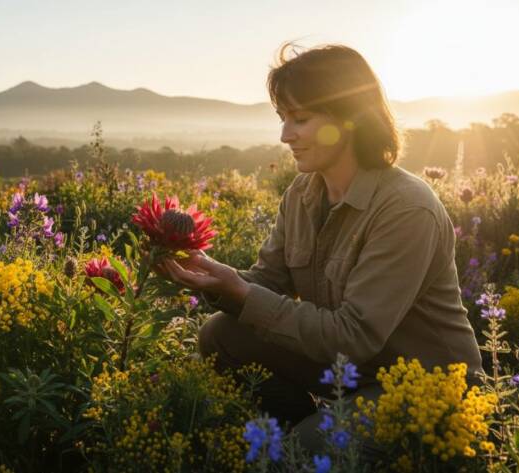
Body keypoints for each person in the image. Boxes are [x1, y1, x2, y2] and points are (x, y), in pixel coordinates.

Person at [158, 43, 483, 455]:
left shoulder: (406, 208)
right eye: (282, 119)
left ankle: (304, 442)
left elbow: (354, 336)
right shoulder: (303, 192)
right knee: (222, 335)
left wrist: (241, 292)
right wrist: (210, 276)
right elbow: (268, 283)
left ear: (348, 119)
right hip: (348, 371)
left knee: (299, 454)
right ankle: (305, 427)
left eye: (301, 119)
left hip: (422, 386)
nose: (284, 135)